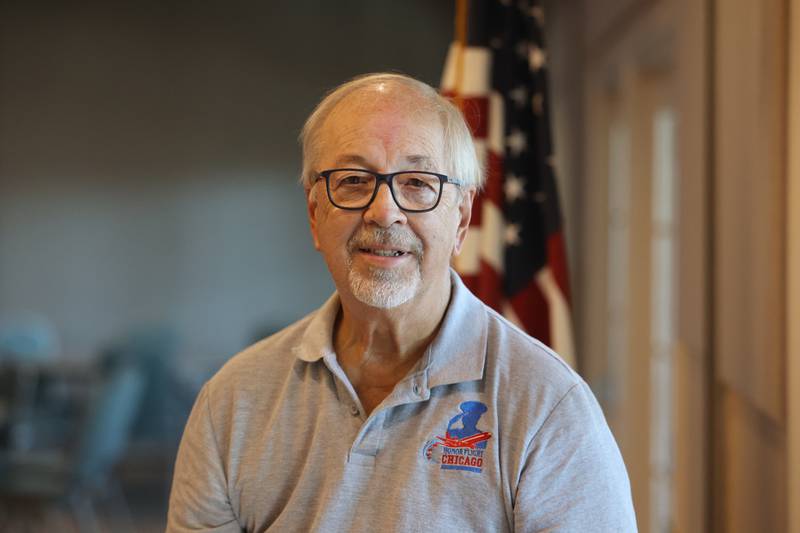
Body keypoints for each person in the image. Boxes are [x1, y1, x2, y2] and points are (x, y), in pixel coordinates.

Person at [167, 73, 637, 532]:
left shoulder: (547, 406)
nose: (384, 211)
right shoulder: (231, 402)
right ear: (315, 215)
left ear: (460, 219)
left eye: (417, 182)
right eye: (353, 180)